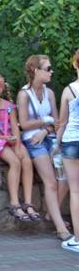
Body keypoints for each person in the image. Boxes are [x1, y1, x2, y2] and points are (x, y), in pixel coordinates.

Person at [17, 54, 70, 240]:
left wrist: (45, 130)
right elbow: (24, 124)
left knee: (65, 178)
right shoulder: (24, 94)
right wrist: (46, 121)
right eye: (48, 68)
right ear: (35, 70)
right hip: (33, 142)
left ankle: (50, 214)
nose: (51, 72)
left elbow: (57, 122)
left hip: (49, 138)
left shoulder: (49, 93)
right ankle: (60, 228)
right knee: (51, 182)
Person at [0, 72, 38, 222]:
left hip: (9, 139)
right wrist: (5, 138)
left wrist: (17, 144)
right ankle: (14, 203)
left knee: (26, 161)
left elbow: (15, 127)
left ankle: (28, 203)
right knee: (15, 162)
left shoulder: (9, 107)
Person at [57, 49, 79, 253]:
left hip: (72, 141)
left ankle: (78, 239)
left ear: (75, 64)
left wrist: (56, 144)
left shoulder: (69, 90)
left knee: (75, 191)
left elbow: (62, 122)